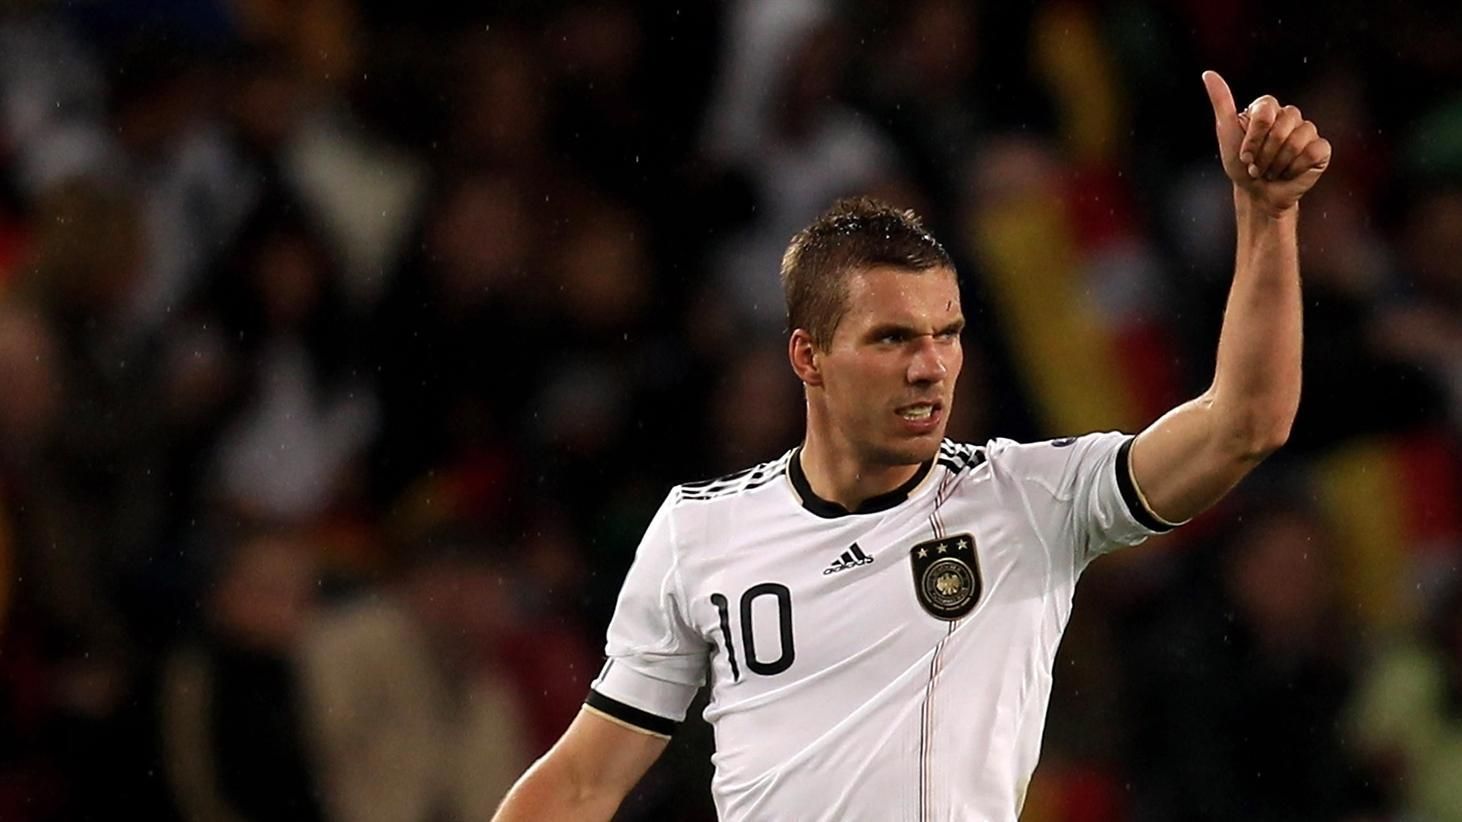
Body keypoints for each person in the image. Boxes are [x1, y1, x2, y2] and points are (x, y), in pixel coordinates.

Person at [493, 70, 1332, 821]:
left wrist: (1268, 215)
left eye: (949, 334)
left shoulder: (1030, 500)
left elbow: (1244, 424)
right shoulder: (698, 533)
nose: (932, 368)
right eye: (893, 338)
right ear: (808, 356)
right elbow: (579, 784)